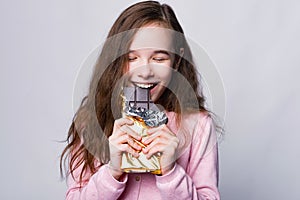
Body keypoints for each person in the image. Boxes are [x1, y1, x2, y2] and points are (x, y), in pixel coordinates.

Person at [60, 1, 222, 199]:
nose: (144, 71)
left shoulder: (199, 126)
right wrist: (112, 172)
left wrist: (171, 171)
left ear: (176, 60)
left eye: (159, 58)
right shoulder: (90, 122)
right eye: (131, 58)